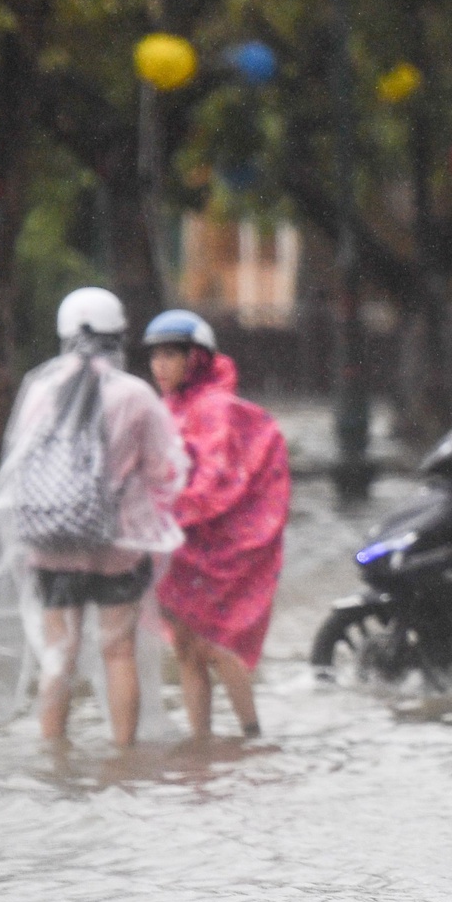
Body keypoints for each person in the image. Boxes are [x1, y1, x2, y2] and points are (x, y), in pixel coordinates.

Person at [0, 288, 185, 747]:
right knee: (118, 651)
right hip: (117, 546)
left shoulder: (40, 390)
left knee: (58, 654)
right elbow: (166, 470)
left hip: (49, 541)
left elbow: (19, 462)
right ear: (117, 336)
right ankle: (123, 759)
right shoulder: (136, 396)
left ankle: (54, 758)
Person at [143, 309, 291, 738]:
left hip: (216, 550)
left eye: (172, 355)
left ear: (197, 358)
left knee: (220, 645)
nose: (160, 366)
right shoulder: (166, 408)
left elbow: (217, 480)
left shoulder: (215, 408)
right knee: (187, 650)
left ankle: (251, 734)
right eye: (155, 356)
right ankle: (200, 744)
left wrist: (171, 508)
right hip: (179, 549)